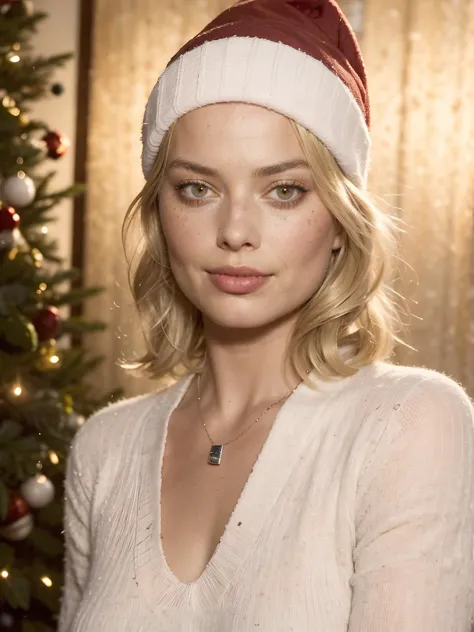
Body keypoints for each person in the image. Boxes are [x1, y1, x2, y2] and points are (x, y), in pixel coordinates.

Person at [58, 0, 474, 630]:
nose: (235, 231)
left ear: (340, 220)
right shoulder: (104, 449)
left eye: (284, 190)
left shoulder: (408, 425)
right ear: (160, 212)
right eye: (198, 188)